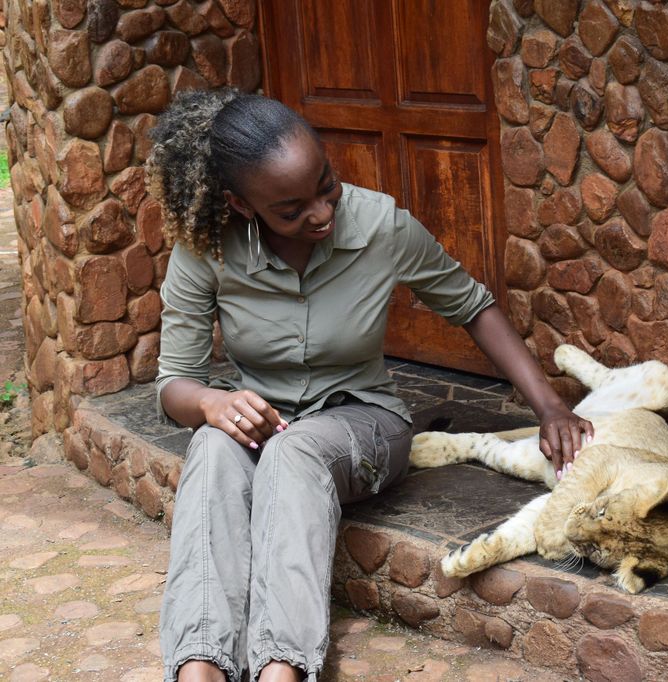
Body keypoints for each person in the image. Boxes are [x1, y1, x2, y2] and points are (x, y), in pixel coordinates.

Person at [148, 89, 594, 682]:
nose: (321, 213)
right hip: (263, 425)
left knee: (294, 448)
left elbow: (473, 307)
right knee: (210, 444)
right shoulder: (206, 249)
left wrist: (550, 407)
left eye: (325, 184)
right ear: (240, 204)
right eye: (291, 209)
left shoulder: (381, 225)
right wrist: (211, 402)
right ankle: (198, 668)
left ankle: (282, 669)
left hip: (363, 424)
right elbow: (174, 384)